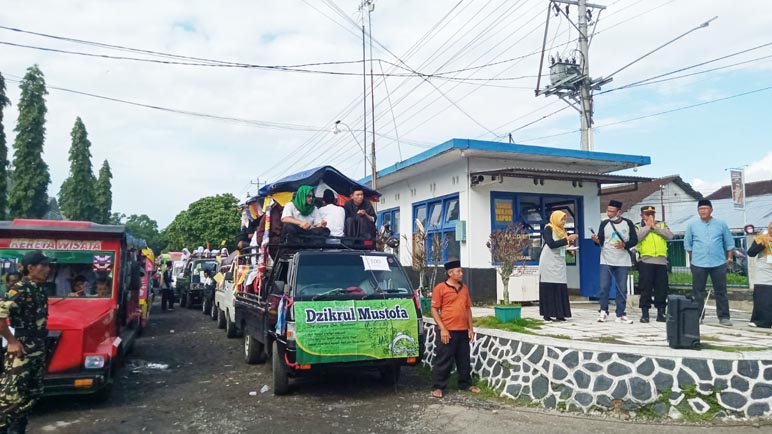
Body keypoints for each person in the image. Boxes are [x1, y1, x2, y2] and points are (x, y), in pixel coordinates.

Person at [0, 250, 52, 434]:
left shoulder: (38, 288)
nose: (48, 269)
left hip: (36, 349)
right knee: (10, 397)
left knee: (32, 394)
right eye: (43, 265)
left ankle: (17, 429)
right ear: (30, 268)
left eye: (48, 265)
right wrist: (11, 341)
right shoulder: (20, 289)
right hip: (21, 350)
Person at [430, 260, 480, 399]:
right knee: (444, 359)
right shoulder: (440, 288)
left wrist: (471, 328)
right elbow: (434, 310)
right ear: (450, 273)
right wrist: (443, 329)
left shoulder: (464, 289)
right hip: (448, 330)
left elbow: (468, 309)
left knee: (464, 359)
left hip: (462, 330)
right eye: (458, 271)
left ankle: (465, 384)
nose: (461, 273)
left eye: (461, 271)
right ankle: (438, 387)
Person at [684, 199, 734, 326]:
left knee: (721, 291)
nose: (703, 211)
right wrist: (693, 258)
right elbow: (688, 244)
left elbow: (729, 242)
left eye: (705, 209)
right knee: (698, 292)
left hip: (718, 263)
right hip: (698, 263)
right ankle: (698, 316)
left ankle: (724, 317)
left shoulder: (721, 224)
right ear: (698, 211)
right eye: (700, 209)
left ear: (711, 210)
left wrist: (729, 257)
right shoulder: (692, 225)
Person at [592, 200, 638, 324]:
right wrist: (596, 240)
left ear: (619, 212)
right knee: (604, 287)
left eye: (612, 211)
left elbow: (634, 240)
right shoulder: (604, 224)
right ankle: (603, 311)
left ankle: (621, 314)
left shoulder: (628, 223)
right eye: (608, 211)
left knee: (622, 288)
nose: (609, 213)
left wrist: (625, 244)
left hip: (622, 260)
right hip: (606, 259)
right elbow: (601, 240)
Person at [635, 206, 674, 323]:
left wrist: (655, 227)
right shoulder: (638, 226)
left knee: (661, 288)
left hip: (661, 262)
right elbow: (636, 238)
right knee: (645, 288)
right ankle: (645, 313)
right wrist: (648, 227)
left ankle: (661, 312)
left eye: (652, 214)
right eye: (647, 214)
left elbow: (670, 236)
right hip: (646, 261)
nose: (650, 216)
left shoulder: (661, 225)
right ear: (642, 215)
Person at [538, 211, 577, 322]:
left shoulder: (563, 231)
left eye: (565, 219)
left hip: (559, 261)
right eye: (561, 219)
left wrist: (570, 251)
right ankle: (547, 314)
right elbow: (551, 244)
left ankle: (560, 313)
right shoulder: (548, 229)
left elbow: (563, 246)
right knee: (549, 285)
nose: (563, 222)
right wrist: (567, 240)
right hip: (548, 261)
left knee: (560, 286)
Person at [746, 222, 772, 328]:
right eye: (771, 228)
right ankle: (761, 321)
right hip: (764, 270)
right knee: (763, 296)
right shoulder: (761, 238)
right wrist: (763, 244)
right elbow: (751, 252)